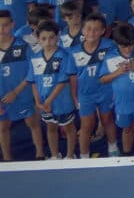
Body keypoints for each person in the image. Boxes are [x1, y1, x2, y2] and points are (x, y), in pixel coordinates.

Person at [98, 22, 134, 156]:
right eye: (124, 46)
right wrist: (118, 72)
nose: (128, 49)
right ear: (116, 43)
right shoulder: (110, 57)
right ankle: (127, 156)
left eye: (131, 44)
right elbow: (103, 79)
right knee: (127, 128)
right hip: (123, 101)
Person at [28, 20, 78, 159]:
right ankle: (55, 155)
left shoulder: (64, 56)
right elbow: (33, 82)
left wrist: (48, 101)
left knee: (68, 128)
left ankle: (69, 155)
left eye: (51, 37)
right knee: (51, 128)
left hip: (61, 101)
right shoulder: (34, 58)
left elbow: (63, 81)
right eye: (44, 38)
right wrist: (38, 102)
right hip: (44, 102)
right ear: (38, 39)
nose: (48, 41)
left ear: (58, 37)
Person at [71, 13, 119, 158]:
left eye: (96, 29)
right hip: (85, 93)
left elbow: (115, 68)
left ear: (103, 31)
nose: (92, 32)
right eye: (89, 29)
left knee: (107, 120)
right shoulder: (73, 52)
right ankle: (84, 155)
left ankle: (113, 146)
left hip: (105, 90)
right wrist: (74, 97)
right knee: (87, 125)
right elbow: (73, 78)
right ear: (82, 30)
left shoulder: (110, 46)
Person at [0, 9, 44, 161]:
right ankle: (7, 158)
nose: (2, 30)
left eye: (5, 25)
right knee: (3, 126)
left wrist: (16, 92)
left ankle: (40, 154)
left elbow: (32, 73)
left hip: (22, 93)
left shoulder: (24, 46)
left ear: (12, 25)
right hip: (2, 96)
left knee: (32, 122)